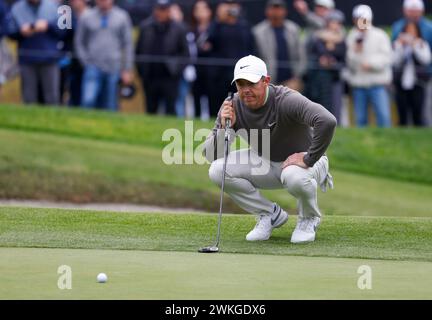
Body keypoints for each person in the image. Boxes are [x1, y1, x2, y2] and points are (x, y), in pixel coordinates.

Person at [204, 55, 336, 243]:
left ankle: (309, 218)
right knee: (217, 170)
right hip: (266, 162)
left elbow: (327, 120)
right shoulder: (231, 106)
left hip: (307, 163)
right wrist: (226, 129)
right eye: (241, 84)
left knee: (294, 176)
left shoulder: (286, 99)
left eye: (251, 83)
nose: (246, 90)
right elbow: (210, 155)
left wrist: (309, 158)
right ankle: (269, 214)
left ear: (266, 81)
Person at [75, 0, 134, 111]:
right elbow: (79, 42)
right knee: (88, 101)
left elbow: (127, 44)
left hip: (113, 67)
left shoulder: (122, 16)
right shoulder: (86, 17)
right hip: (92, 67)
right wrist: (85, 62)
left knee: (110, 105)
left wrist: (126, 69)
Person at [135, 0, 189, 115]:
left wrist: (176, 70)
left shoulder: (179, 28)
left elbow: (185, 54)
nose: (161, 13)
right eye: (159, 9)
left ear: (169, 11)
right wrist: (142, 71)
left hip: (169, 76)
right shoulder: (145, 27)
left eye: (164, 10)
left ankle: (170, 132)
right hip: (150, 75)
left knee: (171, 109)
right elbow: (138, 51)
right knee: (150, 108)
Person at [205, 0, 255, 117]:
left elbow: (251, 48)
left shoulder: (244, 26)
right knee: (217, 107)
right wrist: (218, 19)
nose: (230, 8)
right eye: (227, 5)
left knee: (240, 107)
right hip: (218, 75)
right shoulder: (217, 26)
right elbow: (206, 42)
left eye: (233, 5)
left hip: (240, 74)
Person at [9, 0, 65, 105]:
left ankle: (52, 119)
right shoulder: (17, 8)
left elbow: (64, 30)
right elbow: (9, 31)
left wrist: (48, 25)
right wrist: (20, 31)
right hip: (27, 58)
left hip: (49, 58)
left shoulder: (54, 6)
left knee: (51, 97)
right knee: (29, 97)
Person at [345, 5, 393, 127]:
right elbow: (350, 61)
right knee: (360, 120)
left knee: (383, 118)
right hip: (359, 85)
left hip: (378, 84)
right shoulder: (352, 36)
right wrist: (356, 51)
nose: (360, 22)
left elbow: (387, 58)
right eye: (358, 18)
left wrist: (371, 64)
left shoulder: (380, 35)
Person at [392, 0, 432, 126]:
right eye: (411, 10)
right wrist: (400, 45)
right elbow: (393, 58)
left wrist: (416, 45)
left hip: (422, 78)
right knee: (402, 109)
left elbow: (426, 58)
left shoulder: (429, 28)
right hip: (401, 78)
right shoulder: (397, 26)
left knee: (420, 110)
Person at [253, 0, 305, 91]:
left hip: (291, 82)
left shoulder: (294, 29)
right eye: (273, 9)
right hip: (267, 82)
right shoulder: (258, 32)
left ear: (285, 11)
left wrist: (297, 77)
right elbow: (255, 58)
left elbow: (301, 55)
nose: (276, 12)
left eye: (279, 9)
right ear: (267, 11)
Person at [305, 9, 346, 122]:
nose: (335, 25)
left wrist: (333, 62)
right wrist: (322, 59)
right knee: (320, 105)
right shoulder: (318, 37)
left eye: (337, 22)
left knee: (336, 106)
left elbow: (343, 57)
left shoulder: (342, 39)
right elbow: (314, 53)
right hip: (320, 78)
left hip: (335, 78)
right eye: (332, 22)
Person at [191, 0, 213, 121]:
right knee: (196, 99)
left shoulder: (214, 29)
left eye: (203, 9)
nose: (200, 12)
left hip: (211, 72)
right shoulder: (191, 30)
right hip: (195, 71)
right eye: (197, 9)